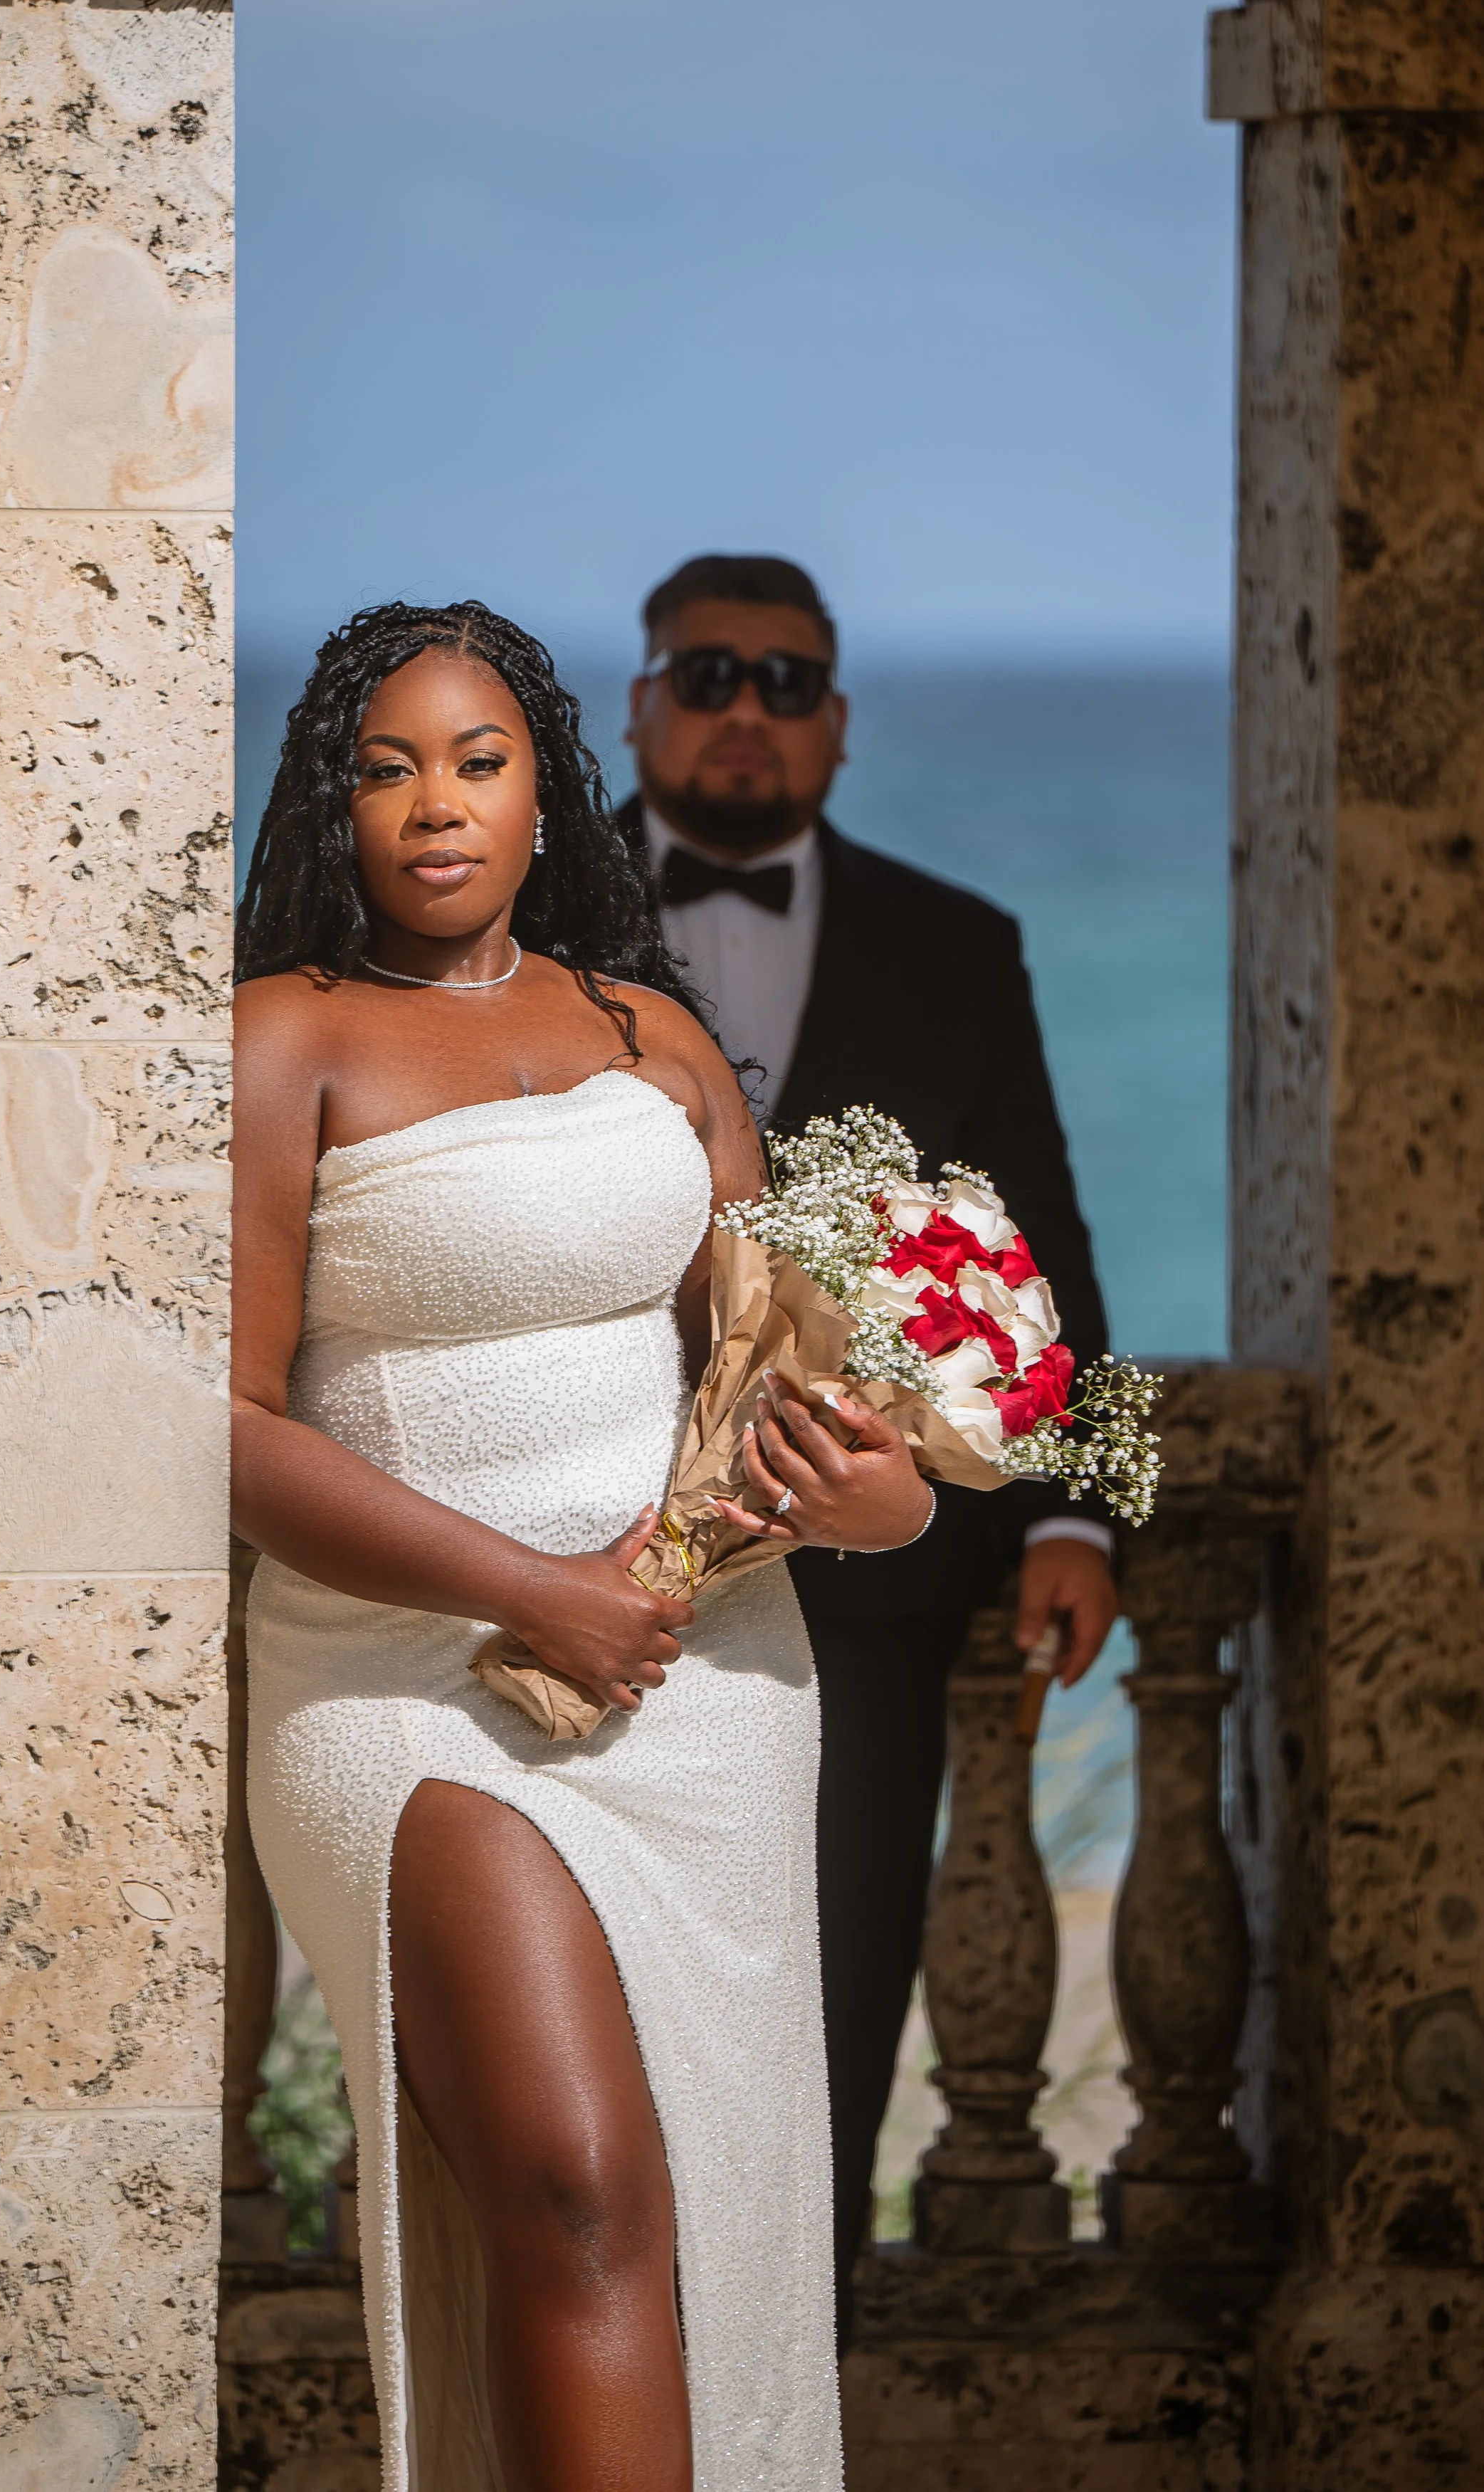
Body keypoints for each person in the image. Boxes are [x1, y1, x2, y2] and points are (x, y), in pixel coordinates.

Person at [231, 598, 937, 2492]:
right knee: (575, 2178)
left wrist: (864, 1484)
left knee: (708, 2206)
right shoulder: (282, 1038)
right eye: (386, 768)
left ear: (549, 788)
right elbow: (216, 1423)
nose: (433, 806)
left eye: (477, 760)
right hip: (411, 1685)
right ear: (334, 796)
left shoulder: (656, 1036)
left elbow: (807, 1413)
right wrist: (529, 1585)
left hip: (706, 1696)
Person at [616, 552, 1120, 2335]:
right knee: (586, 2054)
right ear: (638, 705)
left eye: (782, 679)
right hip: (578, 1568)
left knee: (823, 2040)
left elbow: (1035, 1238)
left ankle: (776, 2407)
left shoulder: (956, 945)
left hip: (866, 1607)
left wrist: (1075, 1519)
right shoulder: (525, 924)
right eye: (706, 674)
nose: (742, 710)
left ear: (833, 726)